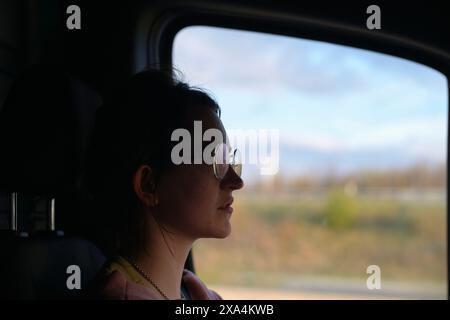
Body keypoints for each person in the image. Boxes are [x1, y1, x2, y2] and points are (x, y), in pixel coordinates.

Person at [85, 69, 244, 300]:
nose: (236, 182)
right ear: (149, 185)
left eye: (228, 160)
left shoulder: (192, 290)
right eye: (216, 162)